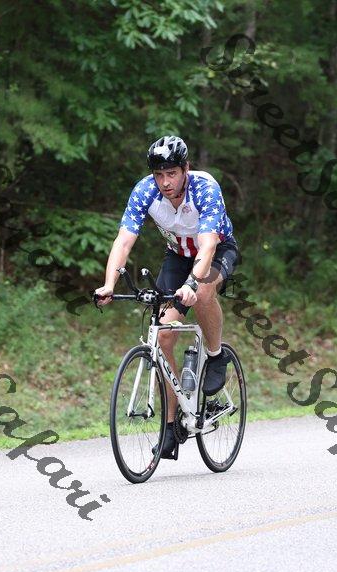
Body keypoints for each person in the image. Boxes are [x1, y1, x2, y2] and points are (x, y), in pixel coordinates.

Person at [94, 135, 240, 458]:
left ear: (186, 169)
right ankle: (172, 426)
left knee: (203, 292)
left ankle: (216, 356)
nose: (165, 182)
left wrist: (192, 283)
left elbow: (207, 246)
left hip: (216, 251)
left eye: (172, 173)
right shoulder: (145, 191)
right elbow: (123, 241)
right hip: (177, 256)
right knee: (162, 337)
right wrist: (108, 284)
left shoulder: (205, 188)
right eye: (159, 175)